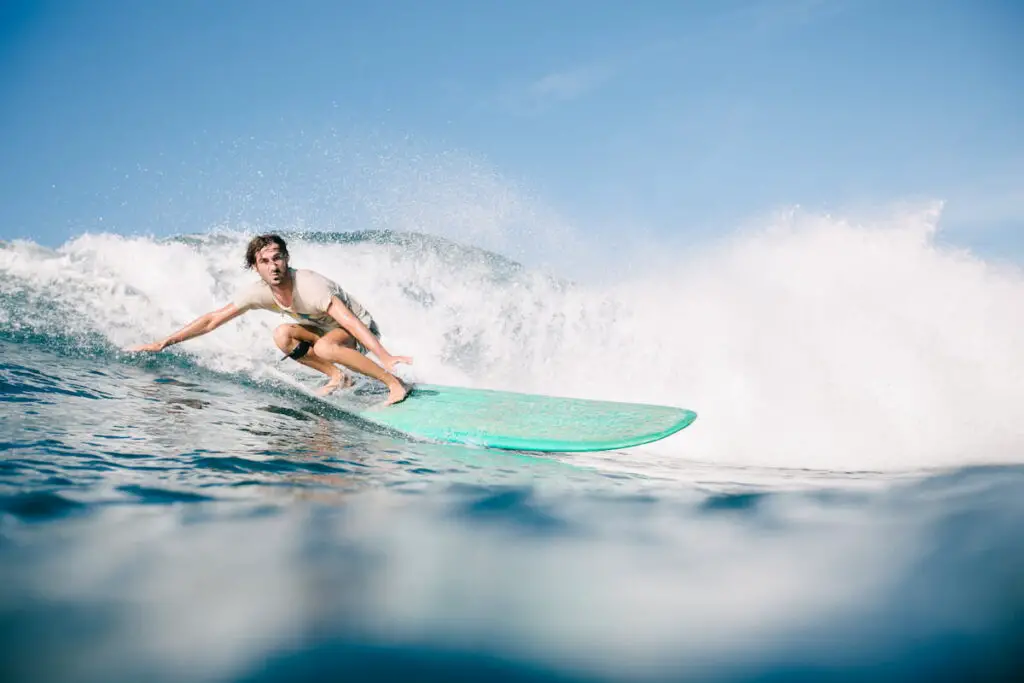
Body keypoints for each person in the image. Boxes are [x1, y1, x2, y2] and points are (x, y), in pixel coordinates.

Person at [127, 234, 413, 405]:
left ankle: (394, 383)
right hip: (320, 328)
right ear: (255, 267)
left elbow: (350, 321)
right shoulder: (259, 293)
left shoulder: (310, 285)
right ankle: (339, 377)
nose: (273, 266)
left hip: (355, 328)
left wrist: (384, 355)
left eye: (277, 258)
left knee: (326, 347)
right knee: (282, 335)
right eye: (264, 262)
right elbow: (213, 320)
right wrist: (164, 342)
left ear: (286, 258)